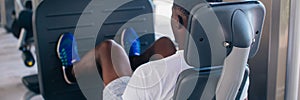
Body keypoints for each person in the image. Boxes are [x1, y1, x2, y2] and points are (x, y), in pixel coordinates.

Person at [56, 0, 247, 99]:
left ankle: (71, 71)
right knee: (165, 45)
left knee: (109, 50)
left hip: (133, 94)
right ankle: (135, 59)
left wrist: (135, 79)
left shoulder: (150, 74)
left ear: (178, 21)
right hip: (158, 89)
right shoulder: (238, 72)